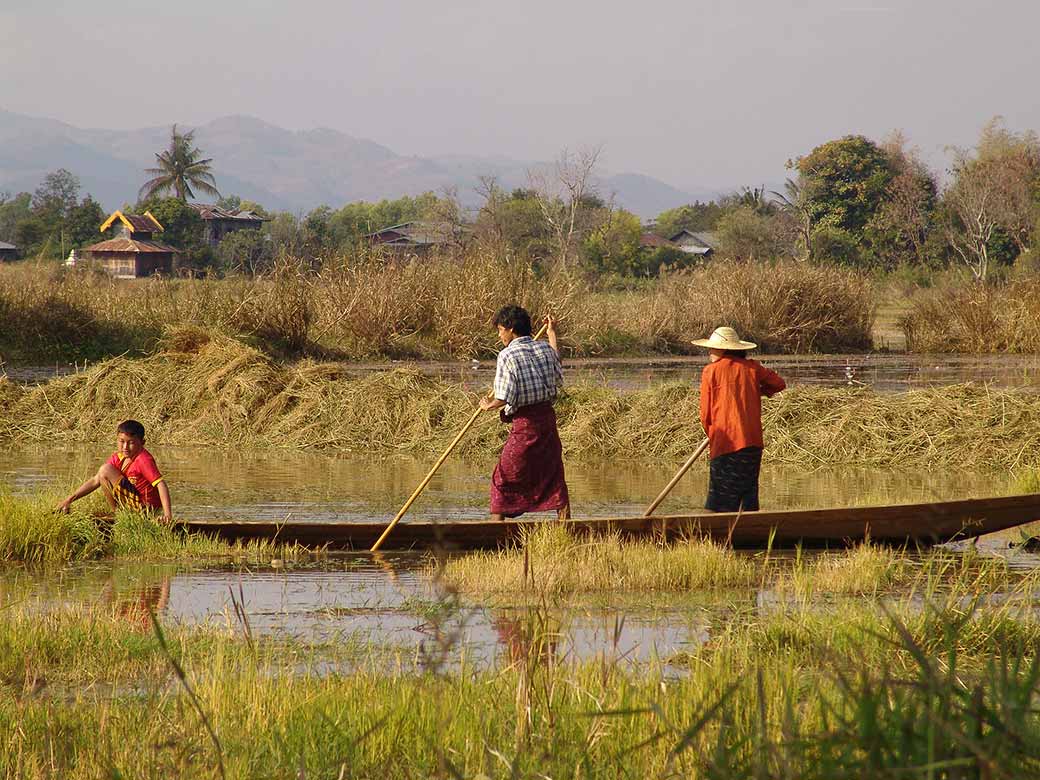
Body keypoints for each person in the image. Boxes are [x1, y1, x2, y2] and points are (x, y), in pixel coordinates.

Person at [478, 305, 570, 521]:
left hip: (526, 427)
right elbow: (557, 363)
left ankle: (495, 536)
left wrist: (488, 405)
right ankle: (566, 526)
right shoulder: (545, 349)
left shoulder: (507, 355)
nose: (500, 335)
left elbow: (504, 396)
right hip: (548, 425)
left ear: (511, 329)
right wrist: (552, 333)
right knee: (554, 476)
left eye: (501, 330)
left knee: (503, 478)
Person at [693, 326, 786, 513]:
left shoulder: (711, 371)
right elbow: (778, 384)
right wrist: (756, 391)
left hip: (726, 442)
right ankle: (749, 535)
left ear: (722, 349)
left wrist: (712, 435)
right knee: (747, 499)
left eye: (713, 348)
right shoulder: (752, 368)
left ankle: (715, 538)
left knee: (719, 503)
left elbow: (706, 414)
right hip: (752, 444)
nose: (710, 352)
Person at [56, 419, 173, 523]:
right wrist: (69, 500)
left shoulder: (143, 459)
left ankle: (119, 516)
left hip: (146, 508)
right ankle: (119, 515)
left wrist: (167, 516)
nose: (125, 447)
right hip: (133, 503)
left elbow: (161, 484)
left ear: (142, 443)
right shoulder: (119, 457)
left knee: (105, 470)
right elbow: (95, 480)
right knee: (103, 474)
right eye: (122, 441)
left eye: (131, 442)